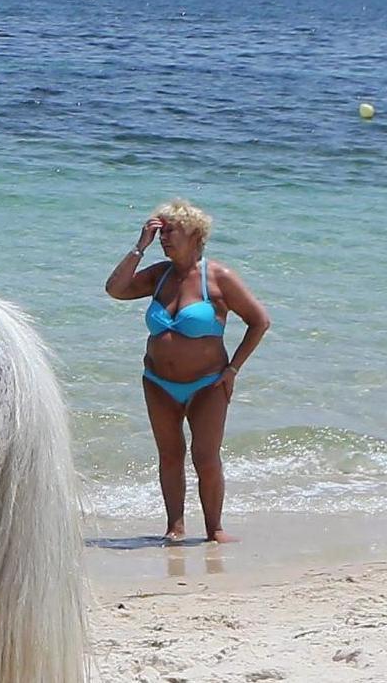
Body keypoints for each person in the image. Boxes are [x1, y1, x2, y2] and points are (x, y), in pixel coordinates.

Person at [103, 198, 273, 544]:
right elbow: (115, 290)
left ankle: (215, 529)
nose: (162, 238)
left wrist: (233, 369)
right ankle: (175, 527)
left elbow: (259, 321)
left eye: (170, 231)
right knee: (169, 455)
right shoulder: (159, 274)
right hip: (157, 382)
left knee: (205, 457)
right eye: (159, 231)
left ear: (196, 234)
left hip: (208, 384)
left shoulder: (219, 278)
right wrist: (139, 246)